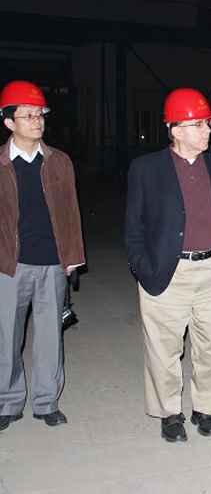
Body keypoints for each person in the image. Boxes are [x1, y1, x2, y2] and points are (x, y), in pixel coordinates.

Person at [125, 88, 211, 443]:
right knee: (164, 349)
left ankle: (205, 409)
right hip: (169, 270)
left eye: (207, 124)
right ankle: (170, 413)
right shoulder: (146, 169)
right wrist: (142, 267)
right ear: (175, 130)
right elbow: (134, 227)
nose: (208, 130)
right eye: (198, 125)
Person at [0, 80, 85, 432]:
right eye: (29, 115)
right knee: (7, 336)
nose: (38, 121)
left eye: (40, 114)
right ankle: (8, 402)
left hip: (52, 263)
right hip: (9, 264)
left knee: (50, 336)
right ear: (9, 122)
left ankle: (47, 402)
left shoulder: (59, 162)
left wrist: (73, 256)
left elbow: (71, 211)